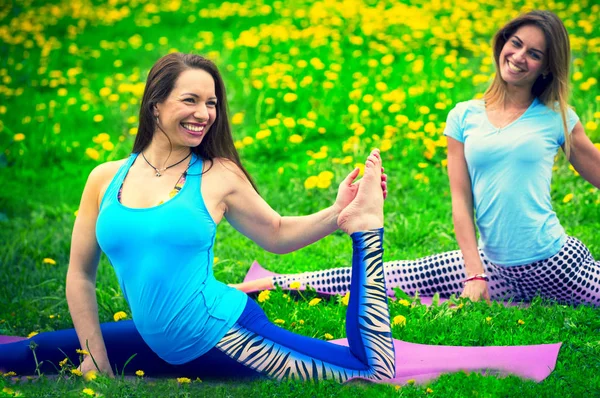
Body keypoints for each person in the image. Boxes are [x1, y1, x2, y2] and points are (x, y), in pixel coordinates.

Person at [0, 53, 397, 381]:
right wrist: (95, 353)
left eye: (211, 103)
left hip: (224, 334)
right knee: (26, 354)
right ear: (155, 105)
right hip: (156, 339)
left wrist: (338, 214)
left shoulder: (217, 174)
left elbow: (275, 234)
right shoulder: (104, 178)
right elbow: (79, 274)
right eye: (190, 100)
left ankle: (367, 228)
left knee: (370, 370)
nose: (204, 113)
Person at [232, 10, 600, 306]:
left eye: (534, 54)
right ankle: (260, 285)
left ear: (547, 67)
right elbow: (461, 199)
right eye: (515, 44)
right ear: (503, 43)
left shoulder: (558, 117)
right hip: (493, 266)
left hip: (557, 264)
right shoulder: (464, 117)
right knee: (390, 274)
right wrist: (475, 273)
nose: (519, 57)